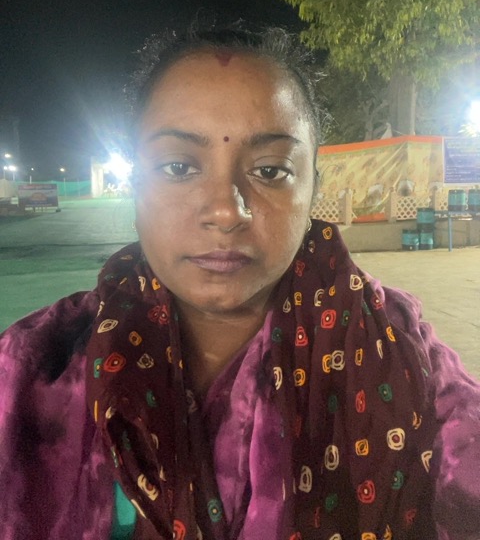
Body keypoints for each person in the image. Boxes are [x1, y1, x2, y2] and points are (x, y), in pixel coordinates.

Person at [1, 26, 479, 540]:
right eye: (179, 166)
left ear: (312, 188)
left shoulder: (400, 353)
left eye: (270, 171)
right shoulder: (33, 368)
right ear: (136, 186)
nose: (227, 211)